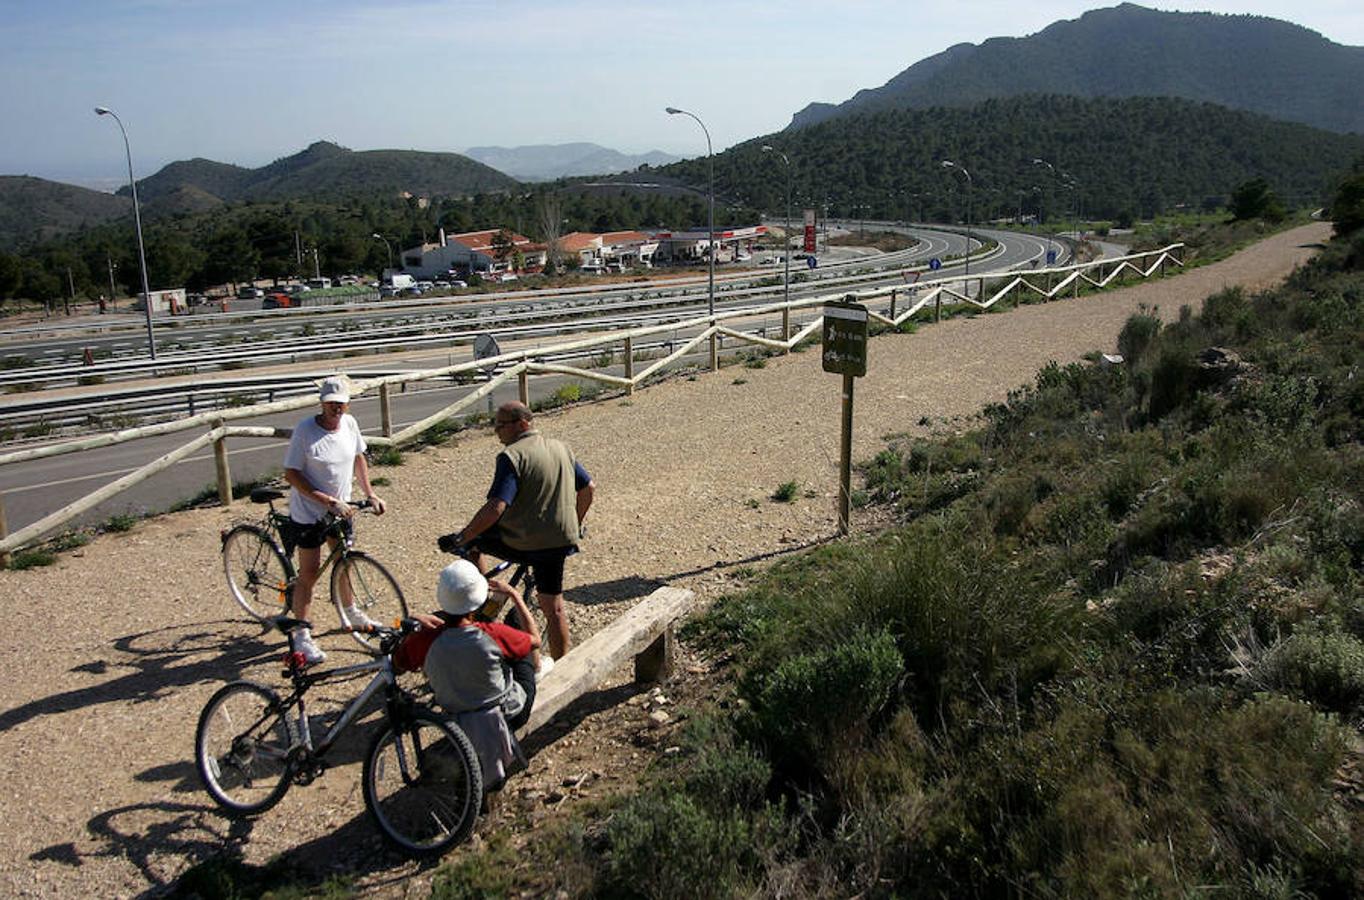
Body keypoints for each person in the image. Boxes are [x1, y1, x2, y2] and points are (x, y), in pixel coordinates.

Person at [438, 401, 593, 660]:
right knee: (554, 610)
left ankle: (483, 600)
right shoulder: (561, 448)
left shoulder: (512, 456)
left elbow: (496, 507)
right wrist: (574, 524)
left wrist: (462, 536)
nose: (497, 431)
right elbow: (589, 488)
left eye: (501, 425)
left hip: (525, 542)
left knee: (472, 543)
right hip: (560, 541)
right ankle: (564, 667)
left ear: (522, 424)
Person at [395, 560, 541, 788]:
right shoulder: (492, 633)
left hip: (457, 721)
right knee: (517, 635)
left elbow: (398, 661)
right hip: (507, 715)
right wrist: (515, 596)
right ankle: (538, 670)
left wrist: (414, 620)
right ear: (476, 604)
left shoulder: (426, 640)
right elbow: (536, 641)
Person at [282, 374, 386, 663]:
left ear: (348, 404)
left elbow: (358, 458)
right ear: (322, 403)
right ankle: (302, 635)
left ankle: (350, 611)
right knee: (310, 572)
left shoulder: (350, 425)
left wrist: (371, 493)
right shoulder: (305, 430)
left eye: (340, 403)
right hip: (310, 511)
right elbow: (291, 473)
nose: (335, 408)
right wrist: (326, 500)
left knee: (344, 560)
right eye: (330, 403)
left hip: (341, 509)